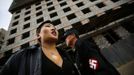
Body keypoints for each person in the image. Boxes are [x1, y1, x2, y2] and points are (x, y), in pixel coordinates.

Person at [0, 20, 81, 75]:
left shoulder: (65, 54)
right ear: (39, 35)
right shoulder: (24, 55)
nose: (53, 29)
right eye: (48, 26)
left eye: (55, 28)